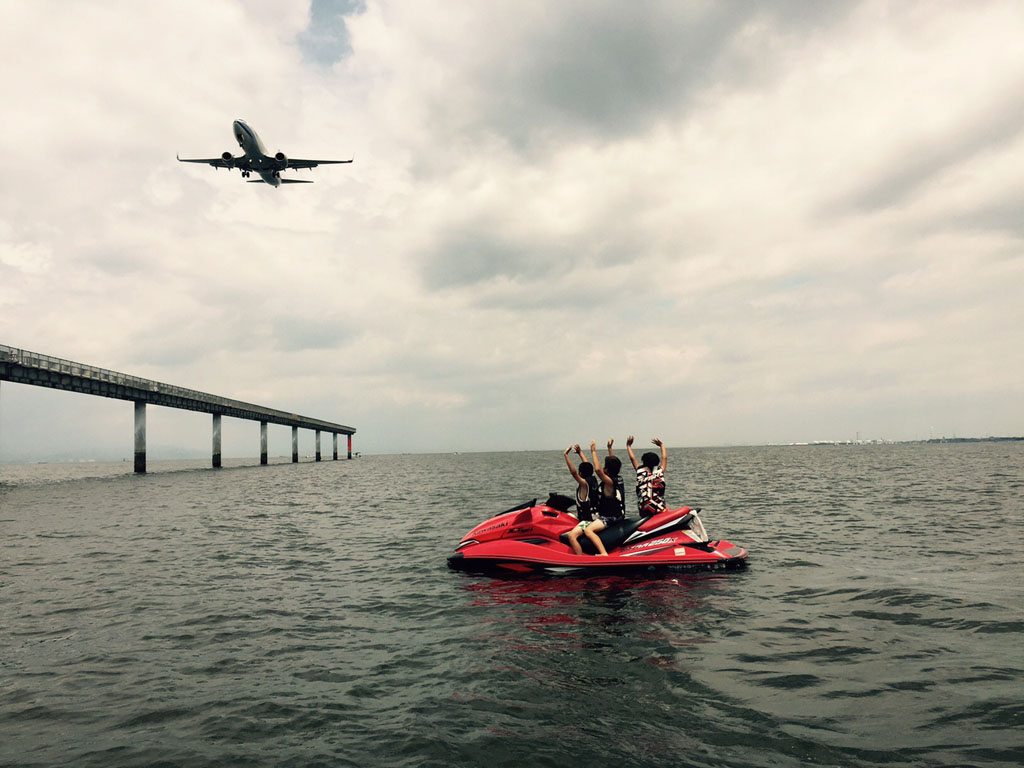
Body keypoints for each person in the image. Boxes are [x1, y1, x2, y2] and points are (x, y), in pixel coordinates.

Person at [565, 440, 626, 556]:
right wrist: (581, 453)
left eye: (604, 466)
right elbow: (591, 467)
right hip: (615, 515)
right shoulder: (611, 478)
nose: (601, 467)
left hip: (608, 517)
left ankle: (593, 556)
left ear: (607, 470)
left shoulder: (607, 482)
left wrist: (593, 450)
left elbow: (594, 471)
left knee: (578, 533)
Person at [627, 436, 667, 517]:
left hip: (644, 511)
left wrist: (628, 446)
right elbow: (664, 458)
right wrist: (662, 445)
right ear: (657, 461)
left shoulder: (639, 471)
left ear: (643, 462)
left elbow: (632, 458)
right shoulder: (660, 471)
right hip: (660, 509)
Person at [563, 444, 597, 521]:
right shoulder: (593, 479)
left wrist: (566, 455)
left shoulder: (584, 484)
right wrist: (580, 453)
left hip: (587, 521)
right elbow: (588, 466)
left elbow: (573, 473)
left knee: (571, 533)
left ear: (580, 473)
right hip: (595, 517)